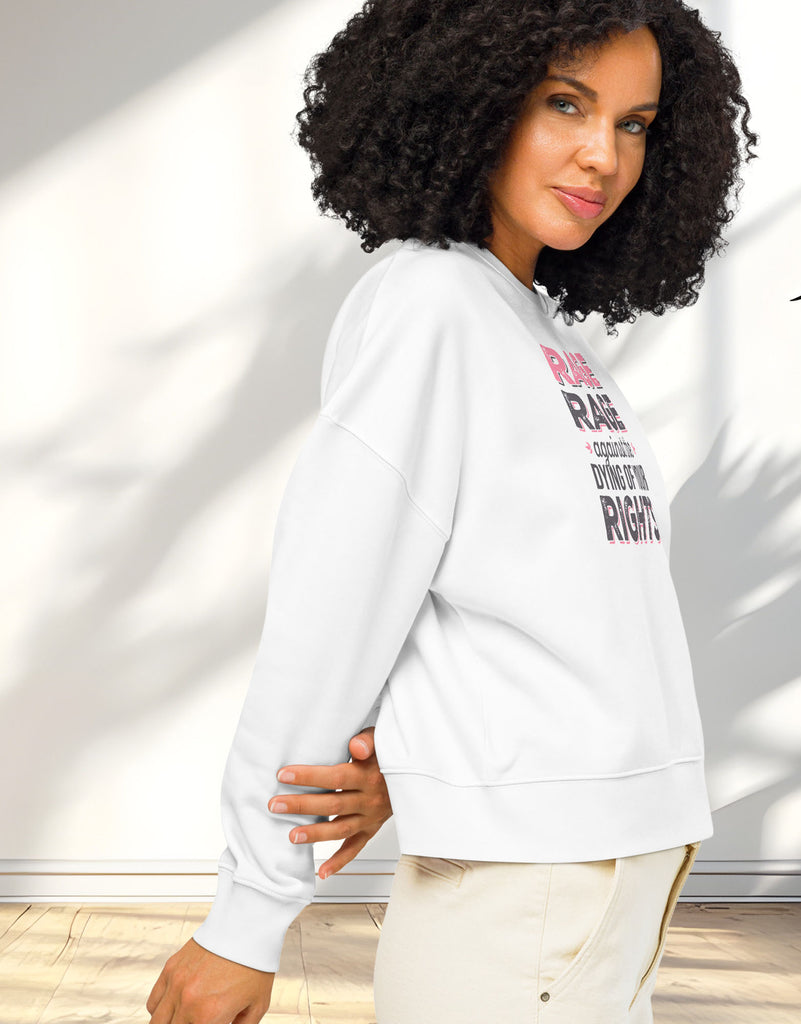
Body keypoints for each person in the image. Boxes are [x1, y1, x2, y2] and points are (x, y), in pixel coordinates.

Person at [146, 1, 755, 1021]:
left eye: (635, 123)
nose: (602, 155)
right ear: (473, 98)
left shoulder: (533, 326)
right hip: (527, 887)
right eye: (566, 102)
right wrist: (245, 919)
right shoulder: (430, 305)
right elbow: (333, 607)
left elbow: (531, 601)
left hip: (610, 863)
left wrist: (419, 754)